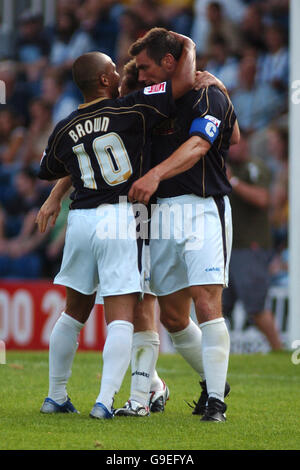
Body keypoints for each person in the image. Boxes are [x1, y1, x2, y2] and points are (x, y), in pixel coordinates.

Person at [36, 55, 225, 416]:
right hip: (125, 216)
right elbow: (183, 82)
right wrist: (204, 73)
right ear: (107, 79)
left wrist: (54, 196)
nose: (124, 72)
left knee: (72, 313)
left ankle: (56, 395)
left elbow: (54, 165)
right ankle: (106, 402)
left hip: (79, 220)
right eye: (115, 68)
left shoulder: (64, 125)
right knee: (125, 315)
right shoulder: (132, 110)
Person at [125, 27, 240, 422]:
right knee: (173, 317)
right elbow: (236, 135)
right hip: (160, 215)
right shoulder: (155, 99)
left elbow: (205, 143)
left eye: (146, 67)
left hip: (203, 207)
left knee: (207, 303)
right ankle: (215, 377)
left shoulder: (210, 92)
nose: (140, 75)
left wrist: (155, 174)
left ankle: (215, 404)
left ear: (169, 62)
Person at [223, 133, 283, 351]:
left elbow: (263, 199)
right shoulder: (222, 166)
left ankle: (278, 349)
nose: (232, 148)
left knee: (255, 306)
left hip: (250, 246)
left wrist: (233, 181)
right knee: (219, 306)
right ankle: (217, 351)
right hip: (226, 247)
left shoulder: (253, 168)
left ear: (245, 144)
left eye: (236, 144)